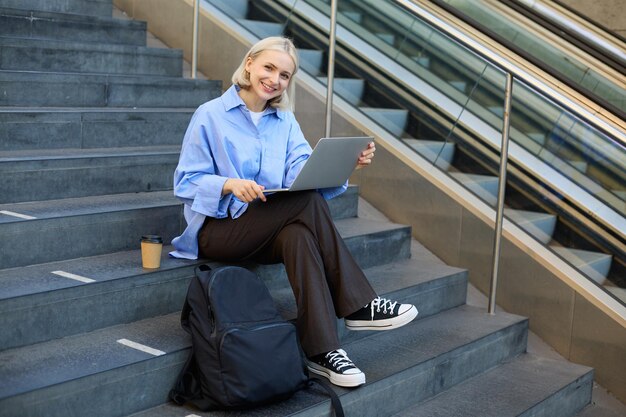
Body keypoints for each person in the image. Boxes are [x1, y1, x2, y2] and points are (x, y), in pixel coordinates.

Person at [170, 36, 418, 388]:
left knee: (299, 235)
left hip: (267, 226)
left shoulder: (284, 122)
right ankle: (360, 305)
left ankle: (323, 351)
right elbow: (186, 181)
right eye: (269, 68)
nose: (274, 79)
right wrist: (228, 184)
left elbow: (300, 175)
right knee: (306, 204)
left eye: (284, 75)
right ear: (250, 64)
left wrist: (347, 166)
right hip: (218, 228)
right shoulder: (210, 115)